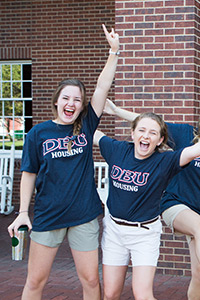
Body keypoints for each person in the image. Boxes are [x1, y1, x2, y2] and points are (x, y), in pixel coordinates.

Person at [5, 25, 119, 300]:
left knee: (91, 280)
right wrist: (22, 212)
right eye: (66, 98)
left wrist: (114, 52)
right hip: (48, 215)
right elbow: (29, 173)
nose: (71, 103)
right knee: (35, 280)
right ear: (57, 102)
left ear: (81, 106)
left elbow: (102, 87)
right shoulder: (38, 134)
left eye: (77, 100)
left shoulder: (87, 125)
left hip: (84, 214)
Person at [94, 111, 200, 300]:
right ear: (133, 134)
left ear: (161, 139)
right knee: (110, 294)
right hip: (114, 230)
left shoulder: (164, 161)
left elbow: (194, 150)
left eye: (153, 133)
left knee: (143, 295)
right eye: (142, 131)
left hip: (144, 233)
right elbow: (90, 132)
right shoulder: (117, 149)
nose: (146, 136)